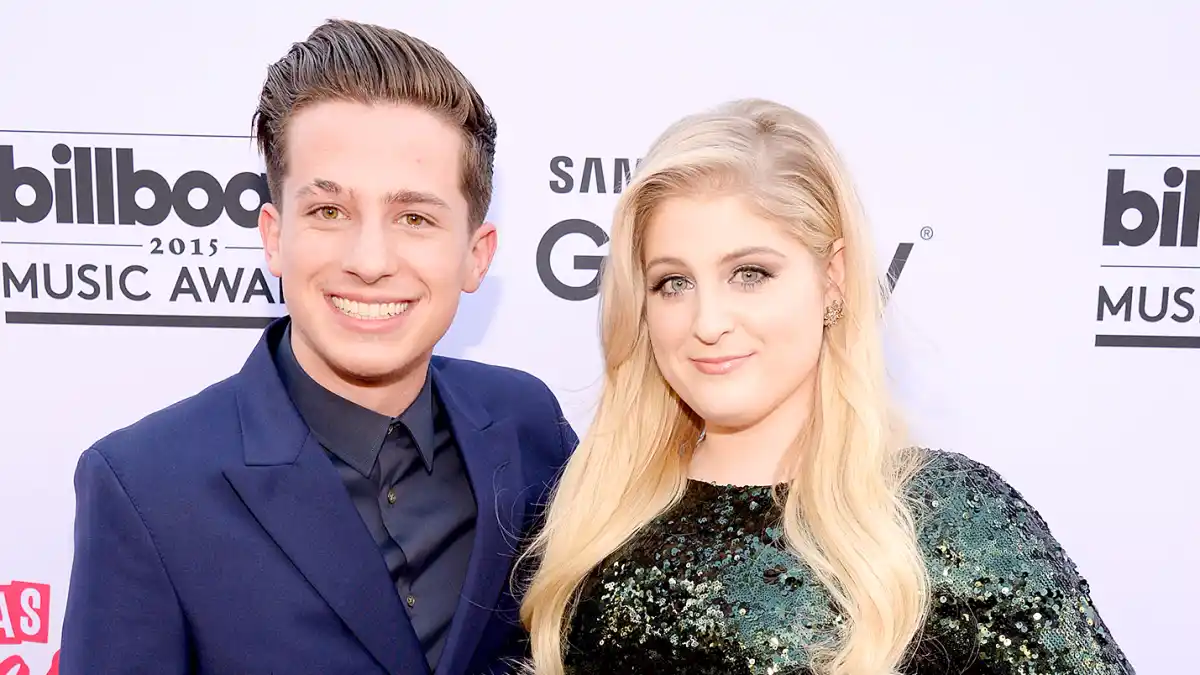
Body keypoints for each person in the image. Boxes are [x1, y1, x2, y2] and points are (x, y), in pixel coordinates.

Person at [516, 98, 1134, 675]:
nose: (707, 323)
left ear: (833, 279)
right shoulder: (596, 511)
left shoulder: (943, 520)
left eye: (750, 273)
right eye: (672, 283)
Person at [59, 19, 576, 675]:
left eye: (415, 217)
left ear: (476, 256)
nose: (369, 260)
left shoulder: (526, 423)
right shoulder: (144, 487)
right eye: (329, 211)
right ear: (274, 236)